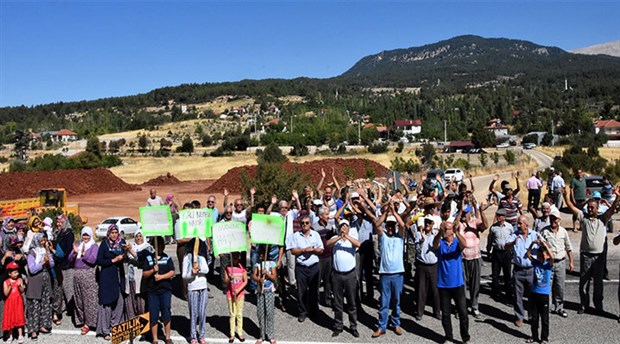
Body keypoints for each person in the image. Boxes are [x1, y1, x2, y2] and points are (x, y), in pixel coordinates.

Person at [563, 185, 620, 314]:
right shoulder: (584, 217)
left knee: (598, 282)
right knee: (584, 281)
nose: (589, 209)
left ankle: (598, 305)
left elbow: (612, 209)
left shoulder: (603, 218)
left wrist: (617, 197)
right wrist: (566, 195)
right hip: (586, 256)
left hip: (599, 257)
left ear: (597, 208)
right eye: (588, 207)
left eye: (592, 207)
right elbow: (571, 207)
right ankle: (584, 304)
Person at [433, 220, 470, 344]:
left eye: (446, 229)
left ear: (451, 231)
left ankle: (465, 337)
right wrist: (440, 232)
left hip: (457, 283)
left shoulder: (456, 242)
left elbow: (464, 245)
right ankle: (448, 337)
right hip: (443, 284)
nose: (444, 231)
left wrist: (456, 232)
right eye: (443, 229)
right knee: (446, 314)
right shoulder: (441, 242)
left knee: (463, 313)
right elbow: (434, 245)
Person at [372, 201, 405, 338]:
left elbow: (402, 225)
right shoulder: (383, 237)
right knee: (384, 302)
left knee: (396, 301)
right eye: (389, 226)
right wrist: (386, 213)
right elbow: (377, 225)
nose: (390, 228)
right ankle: (382, 326)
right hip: (385, 273)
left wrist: (394, 212)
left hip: (398, 273)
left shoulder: (400, 237)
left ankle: (396, 323)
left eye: (392, 226)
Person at [327, 219, 360, 338]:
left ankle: (353, 326)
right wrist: (339, 237)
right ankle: (338, 326)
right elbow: (328, 244)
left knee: (351, 302)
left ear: (349, 228)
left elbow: (358, 244)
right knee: (338, 302)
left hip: (350, 275)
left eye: (346, 226)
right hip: (337, 275)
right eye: (342, 226)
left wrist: (347, 237)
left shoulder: (352, 239)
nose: (344, 227)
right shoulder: (335, 239)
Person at [455, 198, 488, 320]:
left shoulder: (475, 221)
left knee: (475, 284)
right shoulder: (459, 224)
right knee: (461, 285)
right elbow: (454, 225)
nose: (465, 215)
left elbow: (485, 225)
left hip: (475, 257)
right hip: (462, 258)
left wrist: (480, 210)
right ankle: (461, 308)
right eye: (463, 213)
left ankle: (474, 306)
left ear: (470, 213)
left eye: (466, 213)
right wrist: (460, 211)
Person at [505, 216, 538, 327]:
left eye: (520, 224)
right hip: (518, 270)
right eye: (517, 224)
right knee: (518, 295)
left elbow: (545, 245)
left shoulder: (534, 235)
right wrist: (513, 243)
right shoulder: (514, 235)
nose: (518, 226)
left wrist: (539, 244)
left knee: (532, 295)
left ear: (526, 225)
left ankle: (532, 316)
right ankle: (519, 317)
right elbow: (506, 246)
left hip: (531, 269)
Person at [95, 224, 127, 341]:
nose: (114, 235)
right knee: (106, 304)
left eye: (116, 233)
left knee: (119, 302)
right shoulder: (104, 244)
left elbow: (126, 258)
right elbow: (99, 260)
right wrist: (113, 260)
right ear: (108, 234)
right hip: (107, 277)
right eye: (112, 233)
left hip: (118, 277)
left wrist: (126, 253)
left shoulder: (121, 243)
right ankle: (105, 330)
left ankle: (115, 326)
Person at [290, 214, 323, 323]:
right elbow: (293, 251)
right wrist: (303, 250)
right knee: (301, 291)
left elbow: (321, 250)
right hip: (301, 267)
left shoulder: (315, 235)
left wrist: (313, 250)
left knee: (314, 291)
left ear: (310, 223)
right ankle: (302, 312)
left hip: (314, 267)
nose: (304, 225)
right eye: (302, 223)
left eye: (307, 223)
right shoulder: (296, 235)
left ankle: (314, 312)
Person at [541, 208, 574, 318]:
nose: (552, 220)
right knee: (547, 287)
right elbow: (540, 247)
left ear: (559, 220)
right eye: (551, 218)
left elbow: (568, 248)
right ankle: (548, 308)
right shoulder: (544, 231)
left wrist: (571, 262)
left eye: (555, 219)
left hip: (560, 262)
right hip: (548, 263)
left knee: (559, 286)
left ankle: (559, 307)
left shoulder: (563, 232)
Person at [142, 236, 175, 344]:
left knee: (166, 313)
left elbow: (172, 272)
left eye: (163, 245)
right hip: (153, 291)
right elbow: (145, 274)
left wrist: (161, 277)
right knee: (154, 314)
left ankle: (168, 337)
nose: (161, 247)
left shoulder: (167, 258)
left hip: (165, 290)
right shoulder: (149, 259)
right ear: (155, 246)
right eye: (159, 245)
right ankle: (155, 338)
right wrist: (153, 270)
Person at [67, 227, 99, 335]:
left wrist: (82, 252)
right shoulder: (79, 244)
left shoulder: (94, 246)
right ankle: (81, 319)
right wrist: (75, 253)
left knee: (89, 299)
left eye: (87, 235)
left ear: (90, 235)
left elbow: (93, 260)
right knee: (78, 298)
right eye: (84, 235)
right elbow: (70, 258)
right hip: (77, 275)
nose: (85, 237)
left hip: (88, 275)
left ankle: (89, 323)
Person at [25, 233, 54, 340]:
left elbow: (52, 265)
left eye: (44, 240)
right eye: (42, 240)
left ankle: (43, 325)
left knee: (45, 302)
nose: (43, 242)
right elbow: (32, 269)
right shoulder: (32, 252)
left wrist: (48, 257)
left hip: (46, 280)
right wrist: (42, 263)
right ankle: (33, 329)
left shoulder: (45, 250)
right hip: (35, 280)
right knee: (35, 303)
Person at [525, 239, 554, 344]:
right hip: (534, 293)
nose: (540, 257)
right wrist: (532, 244)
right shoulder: (536, 263)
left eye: (542, 256)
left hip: (544, 294)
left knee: (545, 319)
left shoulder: (548, 265)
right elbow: (528, 254)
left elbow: (552, 258)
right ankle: (534, 336)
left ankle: (544, 338)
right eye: (539, 256)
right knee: (534, 318)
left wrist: (545, 245)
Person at [182, 239, 209, 344]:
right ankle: (193, 336)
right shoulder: (186, 258)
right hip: (192, 288)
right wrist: (192, 272)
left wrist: (199, 269)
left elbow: (206, 270)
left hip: (203, 286)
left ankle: (202, 336)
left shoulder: (202, 258)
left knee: (202, 313)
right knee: (193, 313)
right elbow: (184, 275)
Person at [413, 216, 440, 320]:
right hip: (422, 265)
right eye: (426, 222)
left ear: (433, 224)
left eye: (429, 223)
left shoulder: (436, 235)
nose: (427, 225)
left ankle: (437, 311)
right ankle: (420, 312)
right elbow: (417, 250)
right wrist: (422, 241)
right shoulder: (418, 234)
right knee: (421, 290)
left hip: (433, 265)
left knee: (435, 290)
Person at [125, 229, 153, 319]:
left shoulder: (147, 248)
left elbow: (142, 260)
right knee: (131, 302)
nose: (138, 238)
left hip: (141, 278)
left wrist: (131, 251)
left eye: (140, 236)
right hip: (131, 278)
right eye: (136, 236)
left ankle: (143, 324)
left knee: (141, 302)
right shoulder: (132, 246)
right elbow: (125, 259)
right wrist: (126, 251)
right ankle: (133, 324)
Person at [487, 208, 514, 300]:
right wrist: (488, 250)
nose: (498, 217)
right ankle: (495, 292)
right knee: (495, 274)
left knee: (507, 273)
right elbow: (490, 239)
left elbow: (513, 238)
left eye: (500, 216)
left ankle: (508, 292)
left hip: (506, 252)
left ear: (504, 217)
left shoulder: (509, 227)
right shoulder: (493, 227)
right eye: (497, 215)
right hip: (497, 252)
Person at [252, 244, 277, 344]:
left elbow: (274, 277)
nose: (260, 256)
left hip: (269, 290)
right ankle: (261, 335)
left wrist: (267, 274)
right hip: (260, 291)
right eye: (259, 254)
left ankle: (270, 335)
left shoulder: (272, 264)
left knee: (270, 313)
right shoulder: (257, 264)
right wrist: (259, 279)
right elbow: (254, 276)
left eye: (261, 254)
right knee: (260, 313)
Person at [313, 206, 335, 307]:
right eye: (326, 214)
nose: (328, 217)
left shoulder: (331, 226)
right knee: (317, 280)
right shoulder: (314, 227)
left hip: (329, 256)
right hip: (319, 257)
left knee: (328, 279)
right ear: (321, 216)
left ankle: (327, 299)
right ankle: (315, 301)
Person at [55, 214, 75, 322]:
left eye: (61, 222)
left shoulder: (69, 233)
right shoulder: (59, 234)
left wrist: (59, 255)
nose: (59, 224)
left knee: (68, 287)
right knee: (61, 287)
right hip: (60, 263)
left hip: (67, 264)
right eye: (58, 222)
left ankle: (71, 309)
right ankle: (63, 307)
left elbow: (68, 250)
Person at [224, 251, 247, 343]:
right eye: (233, 257)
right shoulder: (228, 268)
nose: (235, 259)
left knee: (239, 314)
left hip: (240, 294)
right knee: (232, 314)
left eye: (237, 257)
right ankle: (232, 333)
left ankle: (240, 332)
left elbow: (245, 281)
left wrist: (239, 289)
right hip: (231, 294)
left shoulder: (242, 268)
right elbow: (225, 281)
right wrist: (230, 278)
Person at [3, 261, 25, 343]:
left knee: (19, 317)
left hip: (18, 302)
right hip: (10, 303)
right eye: (15, 272)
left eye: (17, 272)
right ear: (9, 273)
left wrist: (20, 286)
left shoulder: (19, 280)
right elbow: (5, 293)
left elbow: (22, 291)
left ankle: (20, 335)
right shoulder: (6, 282)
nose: (17, 274)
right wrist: (9, 287)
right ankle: (10, 335)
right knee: (10, 318)